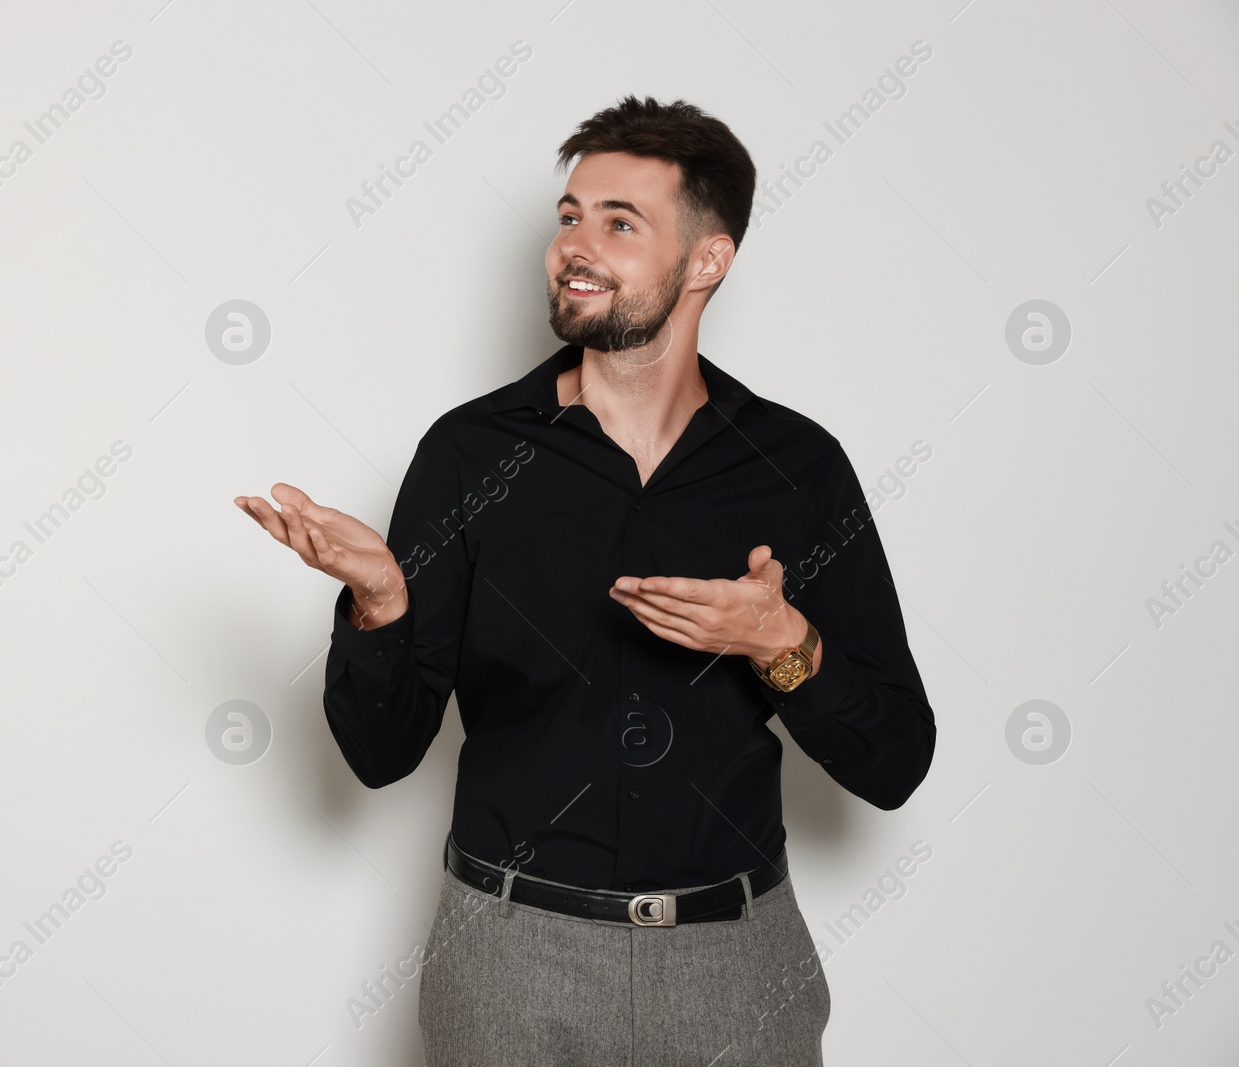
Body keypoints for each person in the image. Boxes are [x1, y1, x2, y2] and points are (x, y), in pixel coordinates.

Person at [236, 95, 935, 1067]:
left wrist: (781, 644)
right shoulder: (467, 455)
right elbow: (378, 756)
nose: (576, 245)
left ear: (706, 261)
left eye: (619, 222)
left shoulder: (796, 467)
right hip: (510, 961)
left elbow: (896, 760)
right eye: (568, 215)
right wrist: (380, 606)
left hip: (736, 963)